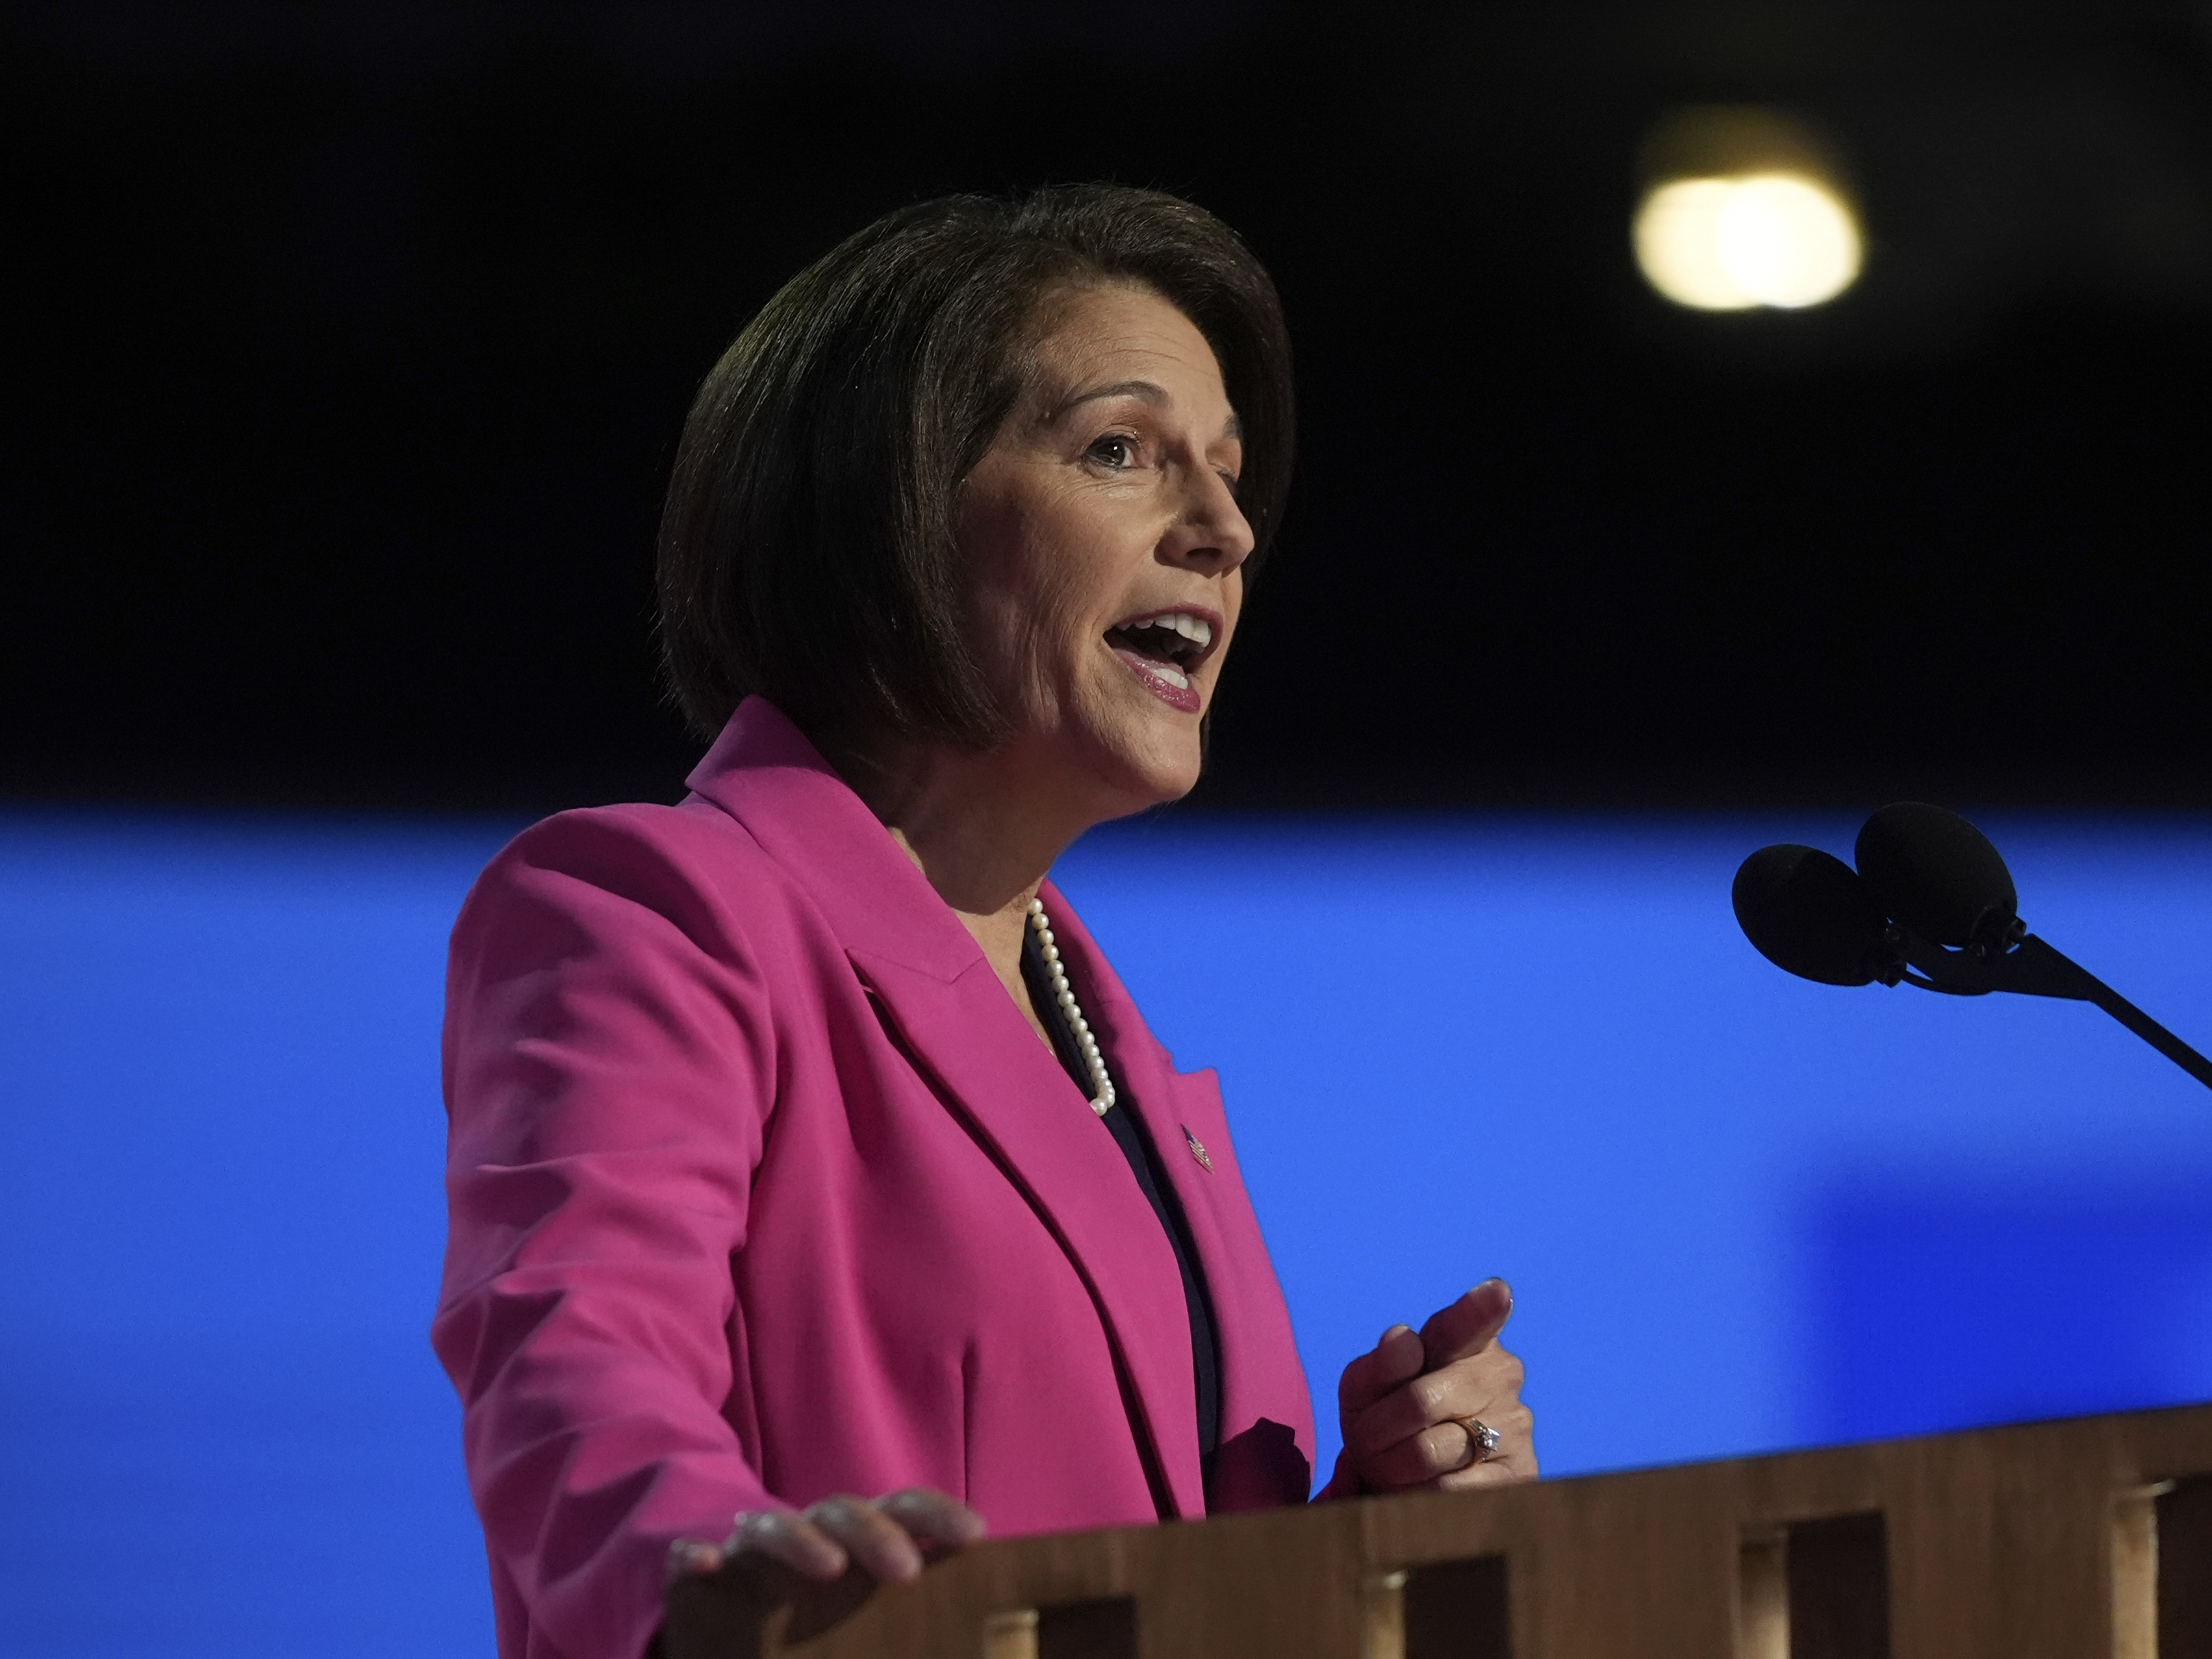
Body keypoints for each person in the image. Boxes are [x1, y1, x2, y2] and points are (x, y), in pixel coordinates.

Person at [432, 184, 1534, 1659]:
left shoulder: (1103, 1027)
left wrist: (1378, 1524)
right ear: (885, 505)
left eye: (1228, 472)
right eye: (1120, 451)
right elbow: (573, 1347)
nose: (1222, 529)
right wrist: (708, 1559)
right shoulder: (657, 909)